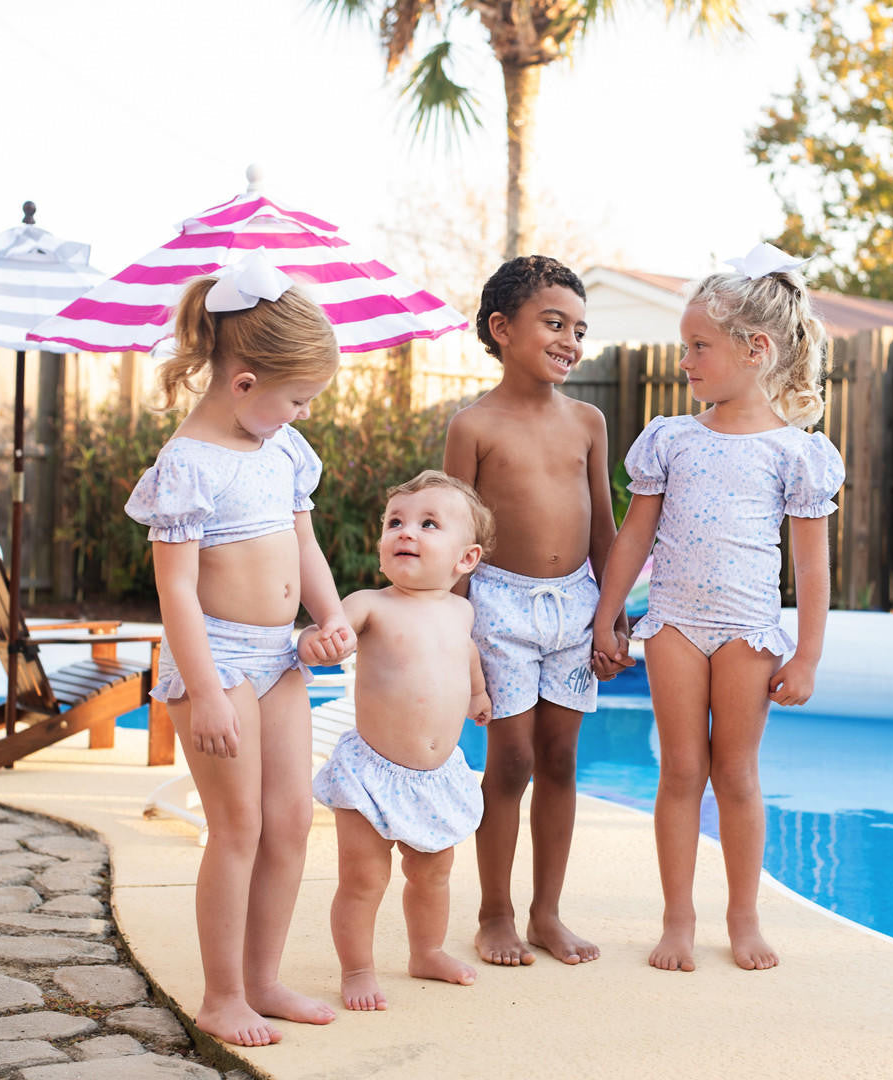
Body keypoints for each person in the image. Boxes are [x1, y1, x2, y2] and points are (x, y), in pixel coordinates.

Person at [592, 243, 845, 973]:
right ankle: (677, 919)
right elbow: (635, 533)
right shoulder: (671, 438)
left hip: (747, 632)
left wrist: (809, 654)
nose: (685, 360)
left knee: (735, 774)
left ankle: (743, 915)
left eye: (698, 346)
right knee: (678, 772)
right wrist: (610, 615)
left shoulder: (796, 454)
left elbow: (810, 563)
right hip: (672, 623)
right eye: (685, 346)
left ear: (756, 349)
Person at [125, 250, 355, 1046]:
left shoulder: (282, 449)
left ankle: (263, 978)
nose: (301, 414)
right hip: (216, 661)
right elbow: (176, 591)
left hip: (280, 656)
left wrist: (326, 617)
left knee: (291, 818)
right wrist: (207, 689)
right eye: (295, 398)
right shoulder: (187, 466)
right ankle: (222, 995)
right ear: (244, 382)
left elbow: (306, 546)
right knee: (238, 827)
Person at [443, 255, 628, 968]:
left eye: (579, 328)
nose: (570, 341)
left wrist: (611, 617)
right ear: (502, 329)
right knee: (512, 761)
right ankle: (494, 912)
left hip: (576, 606)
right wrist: (453, 638)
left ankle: (546, 913)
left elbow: (604, 527)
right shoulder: (474, 425)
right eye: (555, 323)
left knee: (559, 758)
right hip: (500, 608)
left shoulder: (588, 421)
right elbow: (455, 538)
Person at [299, 470, 494, 1011]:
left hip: (436, 775)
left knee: (433, 875)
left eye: (428, 524)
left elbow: (467, 655)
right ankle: (358, 969)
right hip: (371, 773)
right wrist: (319, 643)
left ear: (466, 560)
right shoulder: (370, 603)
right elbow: (331, 632)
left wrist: (478, 694)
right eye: (395, 523)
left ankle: (426, 951)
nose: (406, 532)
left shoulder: (461, 610)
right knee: (364, 879)